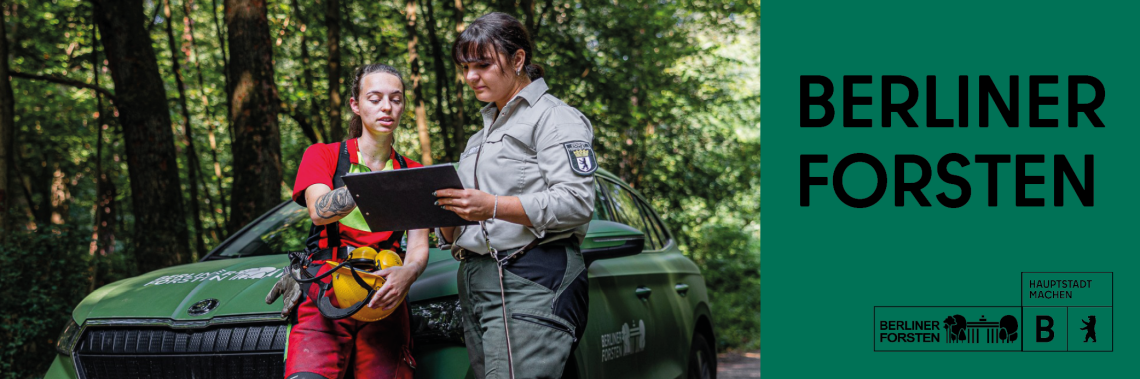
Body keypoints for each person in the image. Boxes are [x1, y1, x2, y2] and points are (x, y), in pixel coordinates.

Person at [434, 12, 597, 379]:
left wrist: (492, 206)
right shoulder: (480, 137)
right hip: (477, 281)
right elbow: (464, 221)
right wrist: (444, 216)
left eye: (483, 65)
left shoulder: (555, 118)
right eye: (465, 67)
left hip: (530, 277)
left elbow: (576, 202)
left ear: (518, 59)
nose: (471, 77)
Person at [266, 63, 428, 379]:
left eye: (396, 99)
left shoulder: (414, 170)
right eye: (375, 98)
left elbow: (418, 247)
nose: (387, 107)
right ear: (355, 104)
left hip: (385, 293)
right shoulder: (323, 155)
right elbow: (319, 209)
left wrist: (407, 274)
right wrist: (382, 182)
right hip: (325, 291)